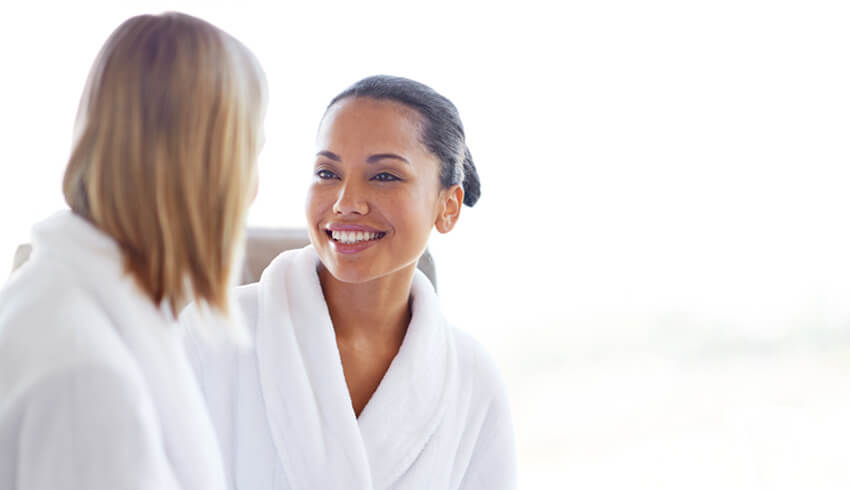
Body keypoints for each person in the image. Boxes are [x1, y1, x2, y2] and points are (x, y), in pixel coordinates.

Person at [183, 75, 516, 489]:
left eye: (385, 176)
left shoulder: (473, 383)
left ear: (448, 207)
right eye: (327, 172)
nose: (345, 203)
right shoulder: (208, 334)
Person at [0, 12, 266, 490]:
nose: (253, 190)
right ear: (207, 169)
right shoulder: (88, 378)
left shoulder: (60, 299)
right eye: (249, 154)